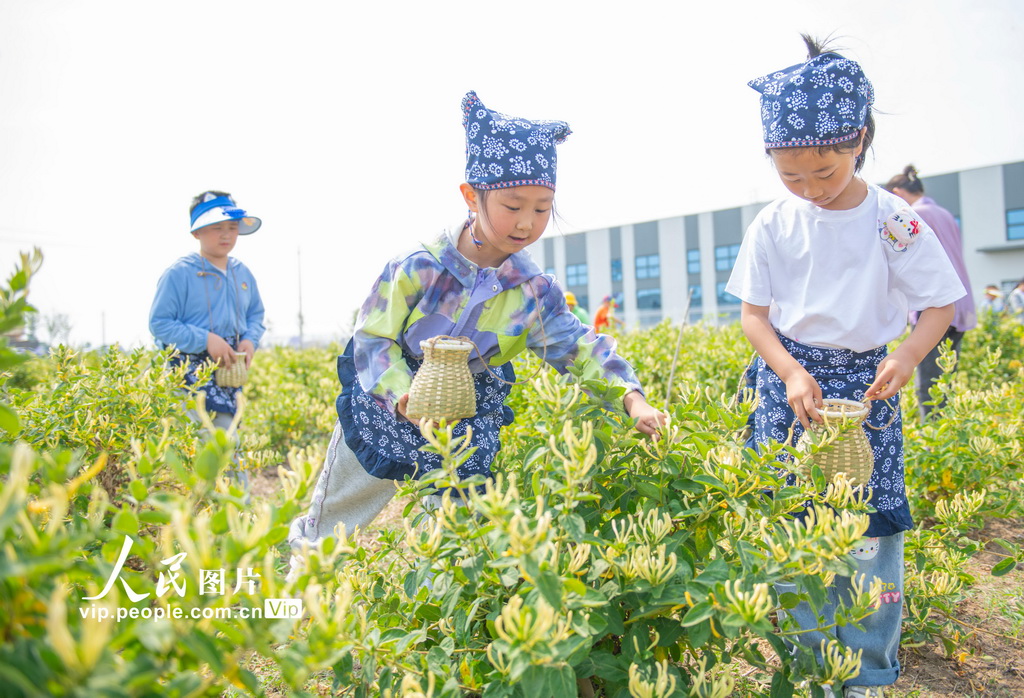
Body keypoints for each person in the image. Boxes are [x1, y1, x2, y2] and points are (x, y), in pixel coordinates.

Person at [288, 92, 666, 561]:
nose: (527, 222)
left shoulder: (532, 291)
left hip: (467, 408)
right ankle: (289, 602)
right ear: (472, 196)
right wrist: (403, 394)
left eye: (542, 207)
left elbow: (577, 348)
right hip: (390, 399)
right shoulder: (419, 267)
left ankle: (436, 623)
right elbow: (373, 338)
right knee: (338, 513)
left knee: (455, 532)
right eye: (512, 205)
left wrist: (632, 397)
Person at [728, 37, 966, 698]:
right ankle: (807, 670)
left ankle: (865, 675)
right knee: (794, 527)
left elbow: (940, 304)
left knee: (871, 537)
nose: (809, 189)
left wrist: (907, 355)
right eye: (791, 175)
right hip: (791, 389)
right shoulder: (774, 223)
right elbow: (753, 315)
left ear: (857, 141)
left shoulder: (893, 221)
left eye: (823, 173)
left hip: (868, 390)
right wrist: (788, 372)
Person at [149, 191, 266, 440]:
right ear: (196, 232)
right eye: (216, 227)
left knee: (226, 442)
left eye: (232, 227)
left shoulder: (242, 273)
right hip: (187, 376)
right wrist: (206, 340)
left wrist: (249, 340)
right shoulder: (179, 273)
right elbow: (160, 324)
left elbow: (256, 315)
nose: (226, 234)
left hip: (228, 372)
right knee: (217, 444)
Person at [885, 165, 977, 420]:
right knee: (945, 375)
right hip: (960, 301)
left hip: (934, 304)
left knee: (927, 380)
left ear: (896, 193)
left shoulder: (912, 214)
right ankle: (946, 428)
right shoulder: (944, 213)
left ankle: (935, 436)